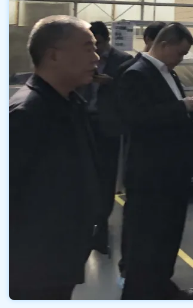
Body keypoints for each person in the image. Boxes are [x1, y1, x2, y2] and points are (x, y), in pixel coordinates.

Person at [9, 16, 101, 299]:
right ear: (53, 56)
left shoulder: (70, 104)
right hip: (31, 269)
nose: (96, 57)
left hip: (60, 258)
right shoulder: (26, 115)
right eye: (87, 48)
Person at [118, 23, 193, 300]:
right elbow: (136, 118)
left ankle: (162, 287)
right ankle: (140, 294)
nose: (181, 58)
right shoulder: (137, 74)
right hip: (151, 176)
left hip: (172, 173)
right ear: (164, 45)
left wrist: (189, 106)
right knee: (146, 240)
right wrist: (181, 106)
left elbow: (167, 110)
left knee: (167, 237)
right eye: (180, 53)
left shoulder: (168, 73)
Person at [114, 20, 167, 282]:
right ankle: (130, 268)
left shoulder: (164, 71)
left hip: (157, 161)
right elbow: (134, 115)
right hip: (143, 157)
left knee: (151, 222)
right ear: (149, 41)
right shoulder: (132, 70)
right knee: (137, 218)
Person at [83, 21, 132, 255]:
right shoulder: (84, 59)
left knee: (106, 177)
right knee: (86, 174)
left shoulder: (122, 61)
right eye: (91, 45)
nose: (96, 49)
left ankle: (101, 225)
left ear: (107, 39)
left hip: (108, 127)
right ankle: (88, 222)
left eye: (99, 43)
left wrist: (110, 84)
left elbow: (128, 94)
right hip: (85, 123)